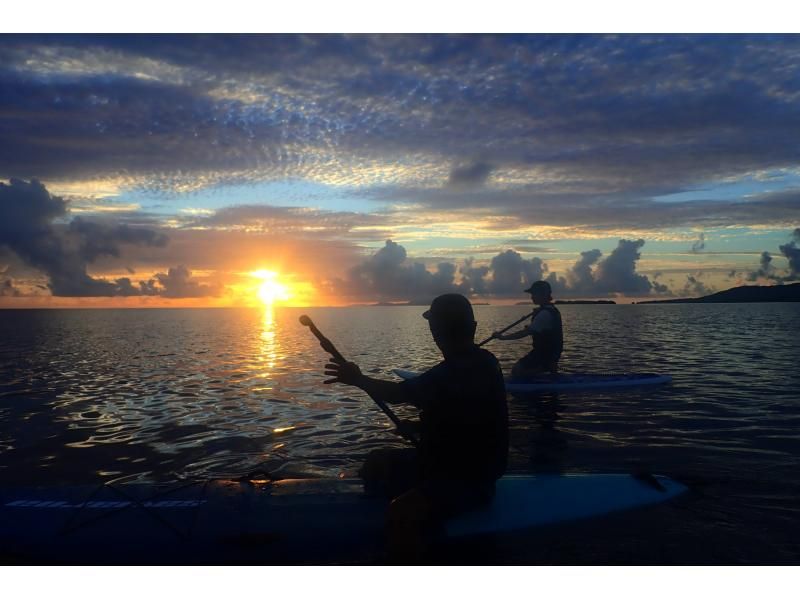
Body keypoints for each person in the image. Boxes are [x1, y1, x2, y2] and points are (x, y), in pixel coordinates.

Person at [323, 293, 508, 562]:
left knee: (402, 512)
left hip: (468, 480)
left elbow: (400, 394)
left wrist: (358, 379)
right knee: (377, 461)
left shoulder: (458, 370)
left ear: (438, 331)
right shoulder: (483, 362)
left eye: (435, 327)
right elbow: (464, 417)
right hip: (446, 463)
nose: (434, 333)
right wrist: (421, 427)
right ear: (473, 328)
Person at [492, 280, 563, 378]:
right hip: (550, 353)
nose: (532, 297)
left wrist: (502, 337)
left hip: (544, 354)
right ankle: (549, 372)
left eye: (534, 294)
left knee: (517, 370)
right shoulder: (550, 310)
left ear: (543, 294)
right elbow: (542, 330)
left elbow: (525, 333)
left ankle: (544, 371)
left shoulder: (544, 314)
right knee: (524, 370)